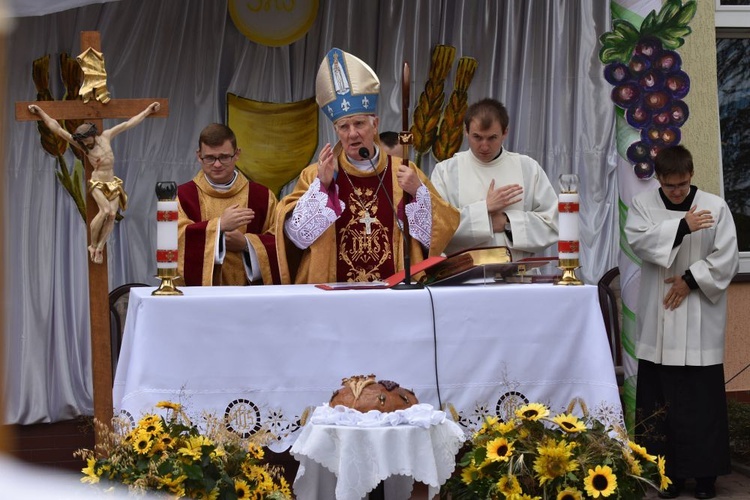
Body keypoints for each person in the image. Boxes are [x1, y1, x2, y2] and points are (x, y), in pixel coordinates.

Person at [276, 47, 459, 284]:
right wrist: (322, 187)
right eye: (344, 126)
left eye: (360, 123)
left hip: (393, 293)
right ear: (336, 131)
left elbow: (435, 239)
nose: (353, 134)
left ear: (375, 125)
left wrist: (418, 193)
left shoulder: (403, 171)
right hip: (334, 291)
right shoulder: (316, 174)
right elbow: (296, 237)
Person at [624, 145, 739, 500]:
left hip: (699, 317)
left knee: (701, 406)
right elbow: (639, 242)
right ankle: (667, 474)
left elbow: (728, 256)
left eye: (684, 184)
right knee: (661, 405)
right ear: (659, 179)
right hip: (660, 317)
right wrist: (683, 226)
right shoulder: (644, 205)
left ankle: (705, 479)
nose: (678, 191)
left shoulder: (715, 206)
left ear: (691, 175)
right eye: (671, 186)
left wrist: (690, 280)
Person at [28, 101, 160, 264]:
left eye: (86, 139)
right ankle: (92, 244)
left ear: (92, 134)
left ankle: (98, 248)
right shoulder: (83, 147)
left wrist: (147, 110)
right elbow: (57, 129)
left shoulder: (106, 136)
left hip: (112, 182)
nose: (84, 143)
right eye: (82, 141)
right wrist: (41, 112)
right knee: (104, 211)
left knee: (112, 215)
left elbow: (128, 124)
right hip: (97, 182)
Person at [429, 98, 558, 259]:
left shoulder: (528, 169)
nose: (484, 146)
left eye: (492, 138)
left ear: (505, 132)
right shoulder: (446, 172)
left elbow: (552, 223)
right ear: (466, 131)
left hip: (518, 276)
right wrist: (484, 210)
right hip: (463, 277)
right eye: (477, 137)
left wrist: (507, 223)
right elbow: (436, 228)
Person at [177, 123, 280, 286]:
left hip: (251, 298)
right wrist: (219, 227)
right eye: (210, 158)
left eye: (224, 157)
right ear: (199, 155)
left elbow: (281, 243)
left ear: (237, 154)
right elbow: (175, 239)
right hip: (200, 299)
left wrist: (247, 245)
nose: (217, 164)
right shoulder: (182, 196)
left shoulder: (263, 197)